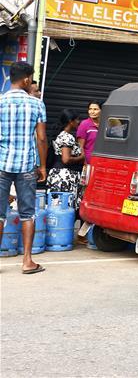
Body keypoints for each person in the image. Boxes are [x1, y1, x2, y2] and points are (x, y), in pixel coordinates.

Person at [0, 62, 48, 274]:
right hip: (27, 166)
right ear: (27, 79)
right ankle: (27, 261)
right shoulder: (37, 104)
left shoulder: (0, 102)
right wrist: (43, 166)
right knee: (28, 213)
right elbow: (42, 138)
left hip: (1, 164)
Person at [47, 109, 85, 207]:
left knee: (56, 206)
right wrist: (81, 157)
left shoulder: (59, 134)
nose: (79, 122)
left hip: (58, 174)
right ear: (70, 121)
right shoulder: (67, 137)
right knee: (64, 208)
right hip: (65, 177)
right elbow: (66, 159)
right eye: (77, 119)